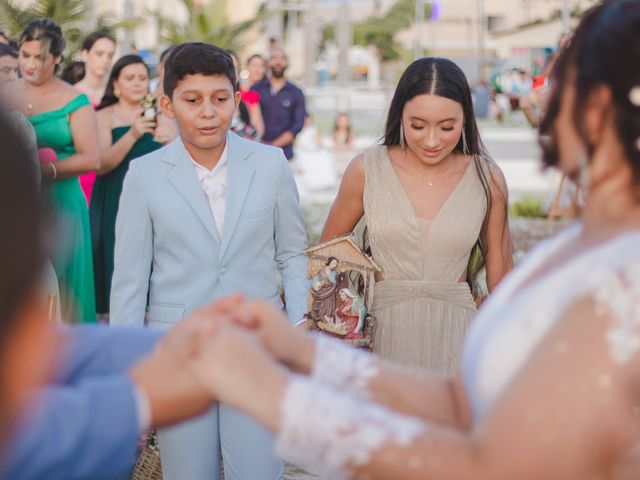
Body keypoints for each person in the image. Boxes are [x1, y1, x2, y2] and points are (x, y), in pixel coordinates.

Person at [163, 1, 640, 478]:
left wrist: (283, 402)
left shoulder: (618, 274)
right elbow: (461, 402)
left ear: (594, 109)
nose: (538, 99)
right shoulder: (578, 250)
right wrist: (304, 352)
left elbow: (491, 460)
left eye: (556, 85)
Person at [110, 42, 308, 480]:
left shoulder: (270, 164)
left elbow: (292, 253)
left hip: (257, 349)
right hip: (179, 351)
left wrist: (297, 329)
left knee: (258, 471)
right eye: (192, 100)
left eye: (220, 99)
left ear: (237, 99)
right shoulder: (144, 175)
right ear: (167, 104)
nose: (208, 113)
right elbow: (129, 279)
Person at [320, 57, 512, 373]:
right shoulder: (366, 170)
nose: (432, 140)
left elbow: (502, 279)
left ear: (465, 119)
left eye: (447, 127)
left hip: (458, 340)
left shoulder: (487, 178)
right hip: (379, 342)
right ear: (400, 116)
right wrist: (344, 329)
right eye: (418, 126)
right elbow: (326, 259)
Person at [4, 19, 99, 324]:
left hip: (62, 200)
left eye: (39, 57)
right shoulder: (6, 93)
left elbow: (92, 159)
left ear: (57, 58)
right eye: (25, 55)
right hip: (16, 201)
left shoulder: (74, 100)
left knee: (65, 289)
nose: (30, 64)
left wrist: (44, 170)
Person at [90, 55, 172, 317]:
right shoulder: (104, 116)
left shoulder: (161, 114)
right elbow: (101, 163)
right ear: (116, 84)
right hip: (114, 195)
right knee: (118, 259)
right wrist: (134, 132)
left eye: (142, 78)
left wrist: (168, 140)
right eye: (130, 78)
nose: (138, 83)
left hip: (157, 198)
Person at [74, 31, 116, 204]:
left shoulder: (117, 94)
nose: (105, 60)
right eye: (99, 54)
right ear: (85, 54)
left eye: (110, 55)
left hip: (113, 172)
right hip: (80, 178)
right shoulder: (71, 95)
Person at [251, 46, 306, 161]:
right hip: (257, 153)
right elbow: (248, 118)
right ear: (268, 63)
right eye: (274, 58)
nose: (278, 62)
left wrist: (273, 146)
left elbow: (298, 125)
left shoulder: (297, 92)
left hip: (285, 156)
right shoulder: (254, 89)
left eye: (282, 58)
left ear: (287, 63)